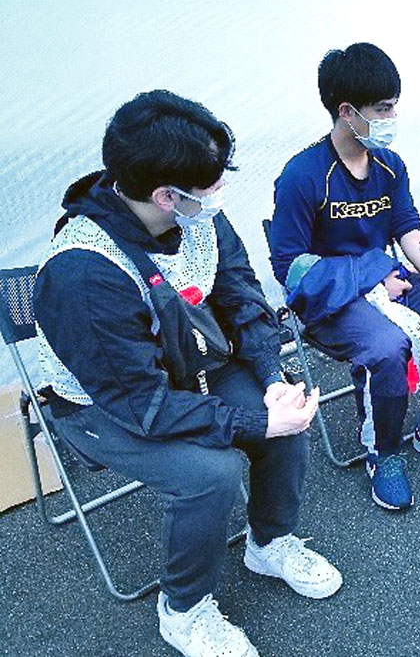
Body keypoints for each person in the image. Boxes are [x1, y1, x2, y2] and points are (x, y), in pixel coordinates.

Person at [34, 90, 342, 657]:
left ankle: (270, 543)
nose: (221, 190)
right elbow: (143, 405)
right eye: (213, 182)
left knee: (286, 415)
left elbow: (242, 297)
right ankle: (184, 610)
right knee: (211, 473)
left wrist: (272, 377)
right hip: (102, 406)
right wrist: (252, 423)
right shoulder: (84, 273)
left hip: (185, 367)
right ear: (165, 196)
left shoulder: (197, 217)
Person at [269, 42, 420, 511]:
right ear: (347, 112)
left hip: (391, 284)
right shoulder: (302, 176)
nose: (393, 118)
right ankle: (385, 451)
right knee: (387, 347)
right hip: (332, 300)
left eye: (394, 106)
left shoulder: (389, 166)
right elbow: (289, 267)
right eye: (383, 108)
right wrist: (372, 277)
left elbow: (412, 239)